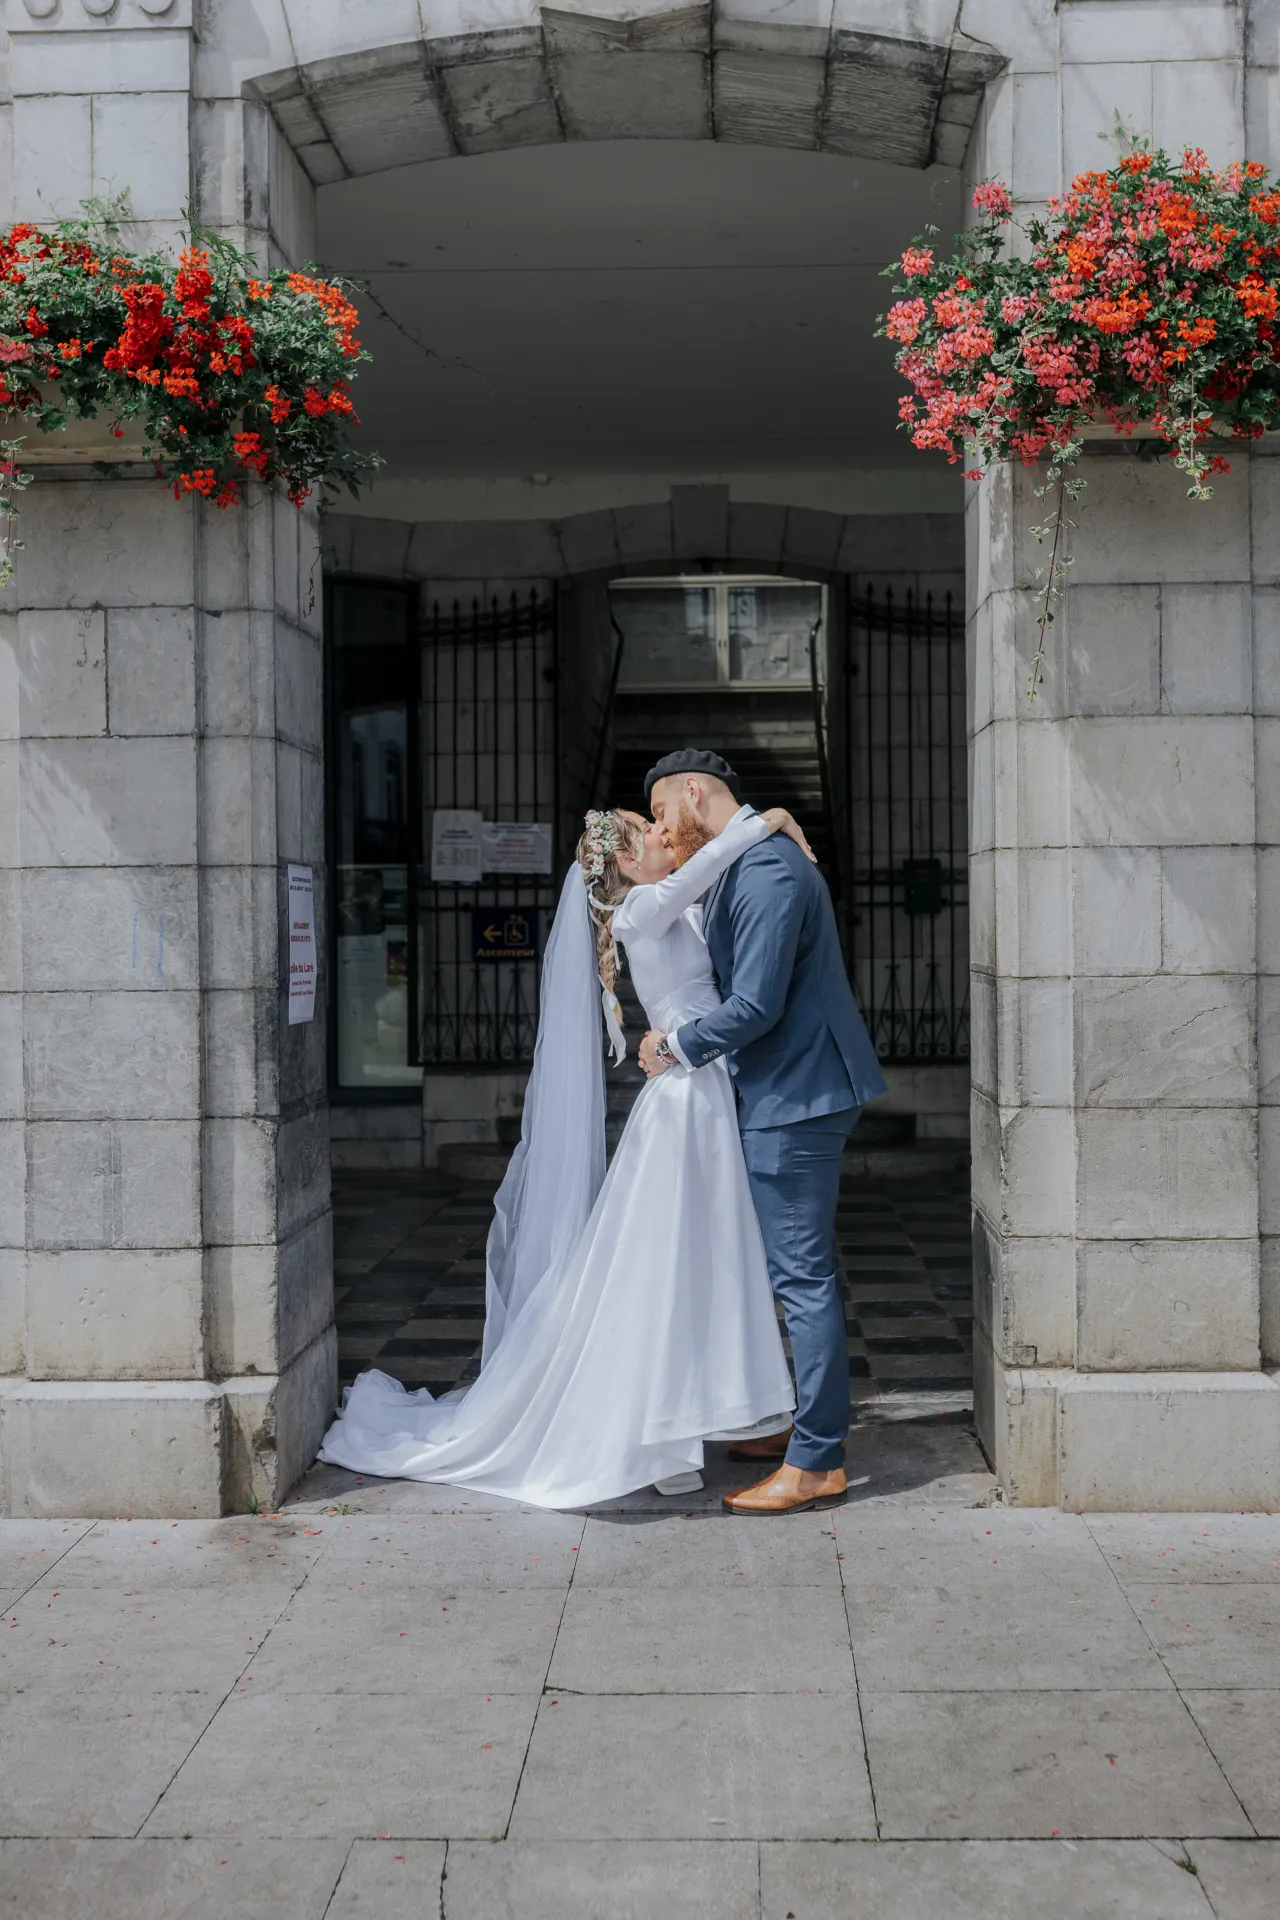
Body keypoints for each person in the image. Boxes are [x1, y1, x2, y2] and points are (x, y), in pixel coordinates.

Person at [316, 799, 814, 1509]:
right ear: (621, 865)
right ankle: (655, 1431)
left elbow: (709, 890)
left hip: (700, 1091)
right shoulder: (642, 913)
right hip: (684, 1103)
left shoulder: (665, 907)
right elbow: (707, 863)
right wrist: (766, 820)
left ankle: (689, 1416)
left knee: (698, 1260)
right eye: (646, 837)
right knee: (666, 1265)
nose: (660, 838)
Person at [641, 749, 887, 1516]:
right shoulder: (743, 861)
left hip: (799, 1092)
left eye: (659, 813)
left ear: (693, 792)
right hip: (783, 1088)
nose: (658, 829)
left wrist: (674, 1047)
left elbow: (756, 1005)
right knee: (786, 1271)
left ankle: (815, 1462)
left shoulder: (769, 873)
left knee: (802, 1279)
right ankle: (785, 1426)